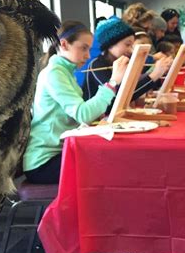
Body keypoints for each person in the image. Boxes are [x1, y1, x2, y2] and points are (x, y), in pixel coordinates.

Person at [23, 20, 128, 185]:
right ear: (64, 44)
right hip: (44, 163)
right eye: (83, 48)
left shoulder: (65, 72)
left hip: (59, 154)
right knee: (110, 166)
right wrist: (112, 83)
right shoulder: (54, 73)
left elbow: (78, 116)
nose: (87, 55)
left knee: (112, 160)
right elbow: (83, 114)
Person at [82, 16, 172, 105]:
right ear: (110, 45)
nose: (131, 50)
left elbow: (134, 88)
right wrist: (154, 75)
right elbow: (118, 98)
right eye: (127, 44)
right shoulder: (96, 65)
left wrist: (158, 72)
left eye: (132, 45)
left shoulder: (124, 62)